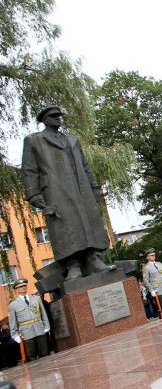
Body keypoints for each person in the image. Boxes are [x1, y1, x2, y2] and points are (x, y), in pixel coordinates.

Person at [21, 106, 115, 281]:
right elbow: (29, 170)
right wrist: (34, 196)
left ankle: (92, 259)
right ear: (44, 120)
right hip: (56, 190)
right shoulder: (34, 141)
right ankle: (73, 265)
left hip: (81, 189)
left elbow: (85, 167)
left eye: (59, 116)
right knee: (65, 227)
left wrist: (94, 189)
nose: (58, 118)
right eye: (53, 116)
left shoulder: (73, 140)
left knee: (88, 222)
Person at [8, 279, 50, 362]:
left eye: (24, 286)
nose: (23, 288)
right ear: (16, 290)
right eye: (20, 286)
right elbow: (12, 322)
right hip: (26, 332)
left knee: (44, 353)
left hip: (40, 329)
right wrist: (14, 335)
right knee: (31, 357)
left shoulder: (36, 298)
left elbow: (43, 313)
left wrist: (46, 326)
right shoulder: (13, 305)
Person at [142, 249, 162, 318]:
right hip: (157, 290)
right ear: (147, 257)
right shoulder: (146, 267)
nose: (154, 256)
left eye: (154, 255)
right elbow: (145, 281)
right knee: (161, 307)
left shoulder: (159, 264)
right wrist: (151, 290)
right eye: (151, 255)